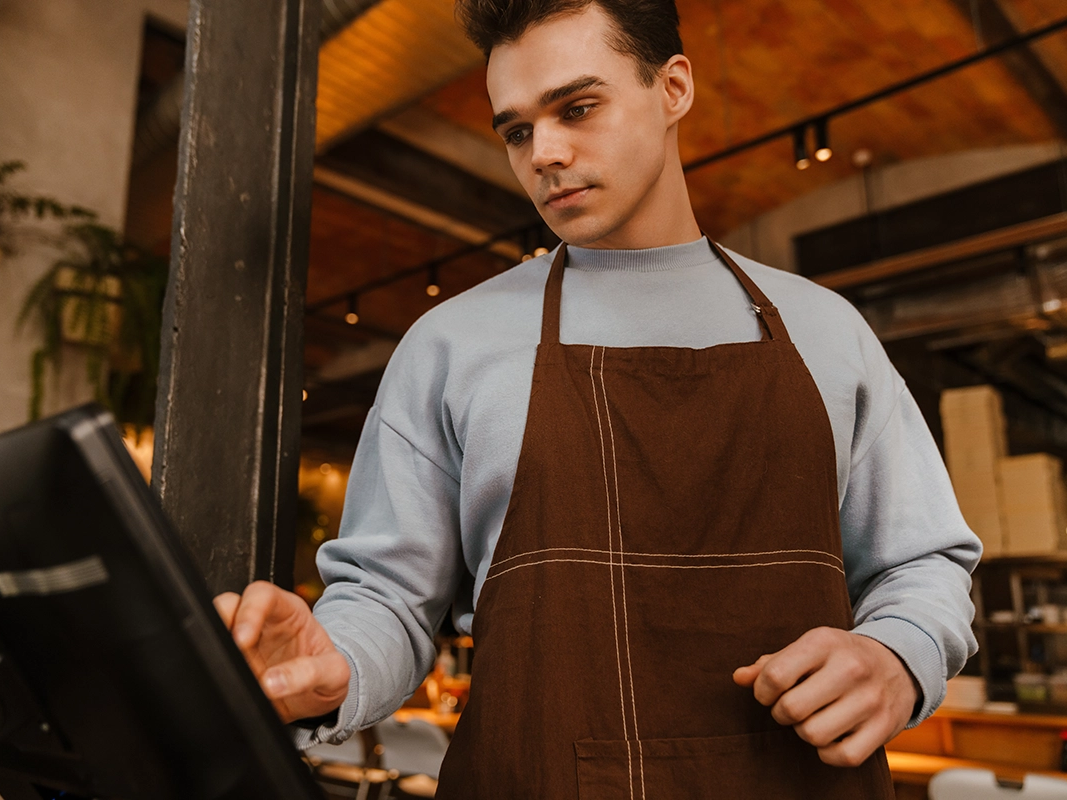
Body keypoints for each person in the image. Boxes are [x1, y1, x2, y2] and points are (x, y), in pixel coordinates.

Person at [214, 0, 982, 795]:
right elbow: (392, 599)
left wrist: (899, 655)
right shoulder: (449, 345)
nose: (544, 153)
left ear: (673, 87)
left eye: (577, 108)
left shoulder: (830, 332)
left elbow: (922, 562)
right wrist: (336, 663)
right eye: (517, 131)